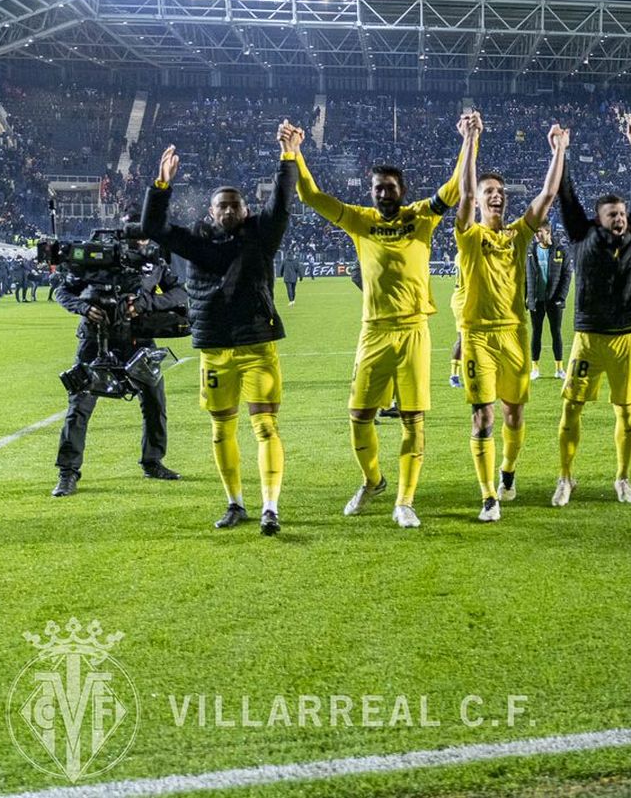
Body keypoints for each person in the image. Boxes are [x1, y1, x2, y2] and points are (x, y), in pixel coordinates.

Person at [294, 113, 467, 528]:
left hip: (413, 331)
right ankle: (373, 481)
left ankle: (405, 501)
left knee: (413, 419)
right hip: (373, 333)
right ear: (370, 192)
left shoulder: (421, 216)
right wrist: (295, 153)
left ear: (401, 191)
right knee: (358, 418)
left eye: (390, 188)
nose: (383, 193)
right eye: (377, 188)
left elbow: (455, 189)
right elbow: (311, 196)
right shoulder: (360, 220)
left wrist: (468, 140)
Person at [140, 123, 299, 535]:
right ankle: (235, 503)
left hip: (257, 346)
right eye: (221, 206)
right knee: (220, 428)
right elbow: (154, 228)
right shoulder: (197, 243)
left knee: (265, 426)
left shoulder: (261, 238)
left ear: (246, 210)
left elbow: (281, 205)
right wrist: (161, 185)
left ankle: (270, 507)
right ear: (211, 213)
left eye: (235, 205)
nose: (228, 211)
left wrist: (288, 158)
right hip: (213, 349)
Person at [452, 114, 566, 522]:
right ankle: (488, 497)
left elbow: (547, 196)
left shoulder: (518, 234)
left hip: (514, 336)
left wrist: (560, 151)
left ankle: (508, 474)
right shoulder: (470, 236)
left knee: (513, 415)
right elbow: (463, 194)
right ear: (480, 200)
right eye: (489, 191)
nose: (496, 195)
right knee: (482, 416)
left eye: (500, 191)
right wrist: (470, 141)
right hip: (478, 336)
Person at [552, 118, 631, 506]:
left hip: (626, 337)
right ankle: (565, 478)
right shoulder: (582, 236)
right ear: (599, 219)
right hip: (589, 338)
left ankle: (623, 478)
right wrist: (560, 151)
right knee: (571, 408)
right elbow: (566, 196)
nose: (621, 217)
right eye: (612, 214)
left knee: (626, 414)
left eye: (622, 213)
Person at [51, 216, 188, 496]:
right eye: (135, 232)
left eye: (144, 233)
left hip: (138, 339)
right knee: (80, 405)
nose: (140, 239)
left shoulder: (154, 262)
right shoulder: (95, 257)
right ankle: (68, 472)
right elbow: (61, 290)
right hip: (95, 338)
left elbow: (179, 294)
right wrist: (83, 307)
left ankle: (153, 461)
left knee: (154, 400)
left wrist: (145, 303)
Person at [526, 220, 571, 381]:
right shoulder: (530, 251)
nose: (537, 235)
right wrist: (527, 297)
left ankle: (559, 369)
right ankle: (535, 369)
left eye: (539, 232)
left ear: (548, 232)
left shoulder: (560, 250)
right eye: (535, 232)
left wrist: (561, 298)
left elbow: (567, 276)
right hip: (536, 300)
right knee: (536, 334)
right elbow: (526, 276)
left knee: (556, 333)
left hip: (554, 300)